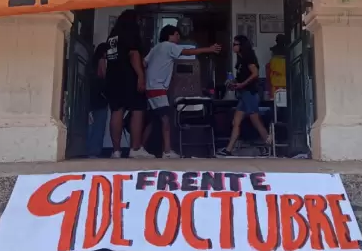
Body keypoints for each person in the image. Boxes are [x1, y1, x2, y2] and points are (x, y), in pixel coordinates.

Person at [143, 25, 221, 158]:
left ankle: (140, 148)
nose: (178, 37)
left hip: (150, 87)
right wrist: (210, 49)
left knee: (153, 119)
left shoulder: (156, 47)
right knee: (166, 120)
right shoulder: (169, 46)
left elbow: (144, 63)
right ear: (170, 35)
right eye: (177, 34)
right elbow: (188, 52)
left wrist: (150, 75)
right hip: (158, 88)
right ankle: (167, 151)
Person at [104, 9, 151, 159]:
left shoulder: (112, 37)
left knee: (116, 111)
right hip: (129, 77)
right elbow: (133, 54)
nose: (140, 23)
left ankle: (116, 151)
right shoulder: (130, 32)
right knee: (138, 109)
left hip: (113, 77)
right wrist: (141, 76)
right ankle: (135, 148)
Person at [218, 35, 271, 157]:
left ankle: (269, 145)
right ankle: (229, 149)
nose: (233, 46)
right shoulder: (240, 61)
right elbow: (241, 77)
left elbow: (255, 74)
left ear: (241, 46)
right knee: (236, 121)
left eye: (235, 44)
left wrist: (242, 84)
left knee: (256, 121)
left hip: (250, 93)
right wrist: (233, 83)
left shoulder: (249, 58)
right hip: (243, 94)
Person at [86, 42, 109, 158]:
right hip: (100, 97)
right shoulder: (102, 61)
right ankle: (94, 151)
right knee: (99, 125)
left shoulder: (91, 63)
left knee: (90, 124)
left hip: (91, 96)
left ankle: (88, 149)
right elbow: (103, 76)